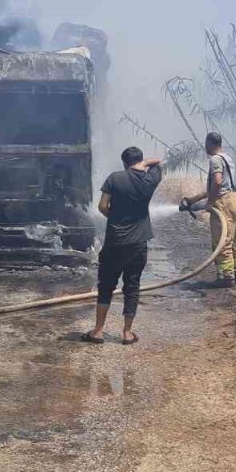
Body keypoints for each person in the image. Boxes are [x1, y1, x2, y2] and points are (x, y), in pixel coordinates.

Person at [83, 146, 162, 345]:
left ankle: (98, 331)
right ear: (140, 161)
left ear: (124, 163)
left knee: (106, 285)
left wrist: (116, 217)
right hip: (138, 243)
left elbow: (102, 206)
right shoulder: (149, 180)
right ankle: (127, 333)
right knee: (132, 286)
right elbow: (158, 162)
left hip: (115, 241)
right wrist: (145, 164)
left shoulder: (115, 178)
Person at [182, 132, 236, 286]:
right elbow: (219, 185)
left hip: (222, 203)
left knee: (221, 241)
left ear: (210, 143)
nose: (205, 147)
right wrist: (192, 200)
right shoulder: (227, 158)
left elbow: (216, 182)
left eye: (206, 144)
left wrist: (210, 202)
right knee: (232, 240)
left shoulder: (215, 159)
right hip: (233, 200)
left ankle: (226, 277)